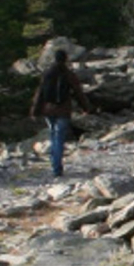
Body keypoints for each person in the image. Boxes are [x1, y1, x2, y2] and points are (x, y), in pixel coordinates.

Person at [29, 49, 94, 177]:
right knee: (58, 138)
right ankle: (57, 169)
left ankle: (55, 165)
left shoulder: (47, 74)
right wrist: (86, 108)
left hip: (48, 110)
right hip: (63, 110)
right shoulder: (69, 74)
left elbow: (40, 94)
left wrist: (34, 111)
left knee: (53, 136)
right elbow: (78, 93)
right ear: (65, 59)